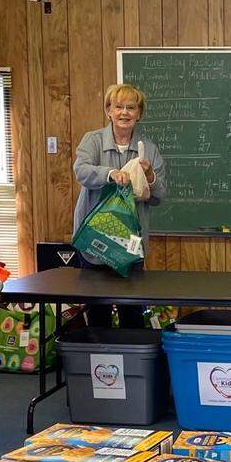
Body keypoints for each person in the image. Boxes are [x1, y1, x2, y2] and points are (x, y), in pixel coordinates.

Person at [73, 83, 166, 327]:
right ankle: (100, 362)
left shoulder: (150, 150)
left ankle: (132, 363)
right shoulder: (92, 141)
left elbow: (159, 195)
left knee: (132, 311)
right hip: (96, 241)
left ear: (139, 114)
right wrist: (110, 173)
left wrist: (149, 177)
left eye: (131, 107)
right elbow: (81, 171)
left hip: (131, 245)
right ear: (109, 111)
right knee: (98, 311)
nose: (124, 112)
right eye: (119, 106)